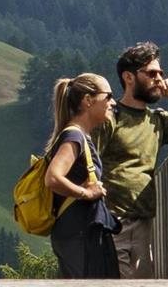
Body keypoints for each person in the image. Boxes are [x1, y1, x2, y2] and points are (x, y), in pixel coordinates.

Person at [96, 41, 168, 277]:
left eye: (160, 73)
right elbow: (89, 161)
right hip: (112, 222)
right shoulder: (110, 118)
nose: (159, 78)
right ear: (129, 77)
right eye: (151, 73)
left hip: (145, 222)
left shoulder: (158, 121)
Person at [44, 73, 121, 278]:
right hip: (78, 233)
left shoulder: (80, 136)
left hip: (76, 232)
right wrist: (86, 193)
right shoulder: (74, 136)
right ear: (88, 100)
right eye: (108, 96)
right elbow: (53, 178)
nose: (113, 103)